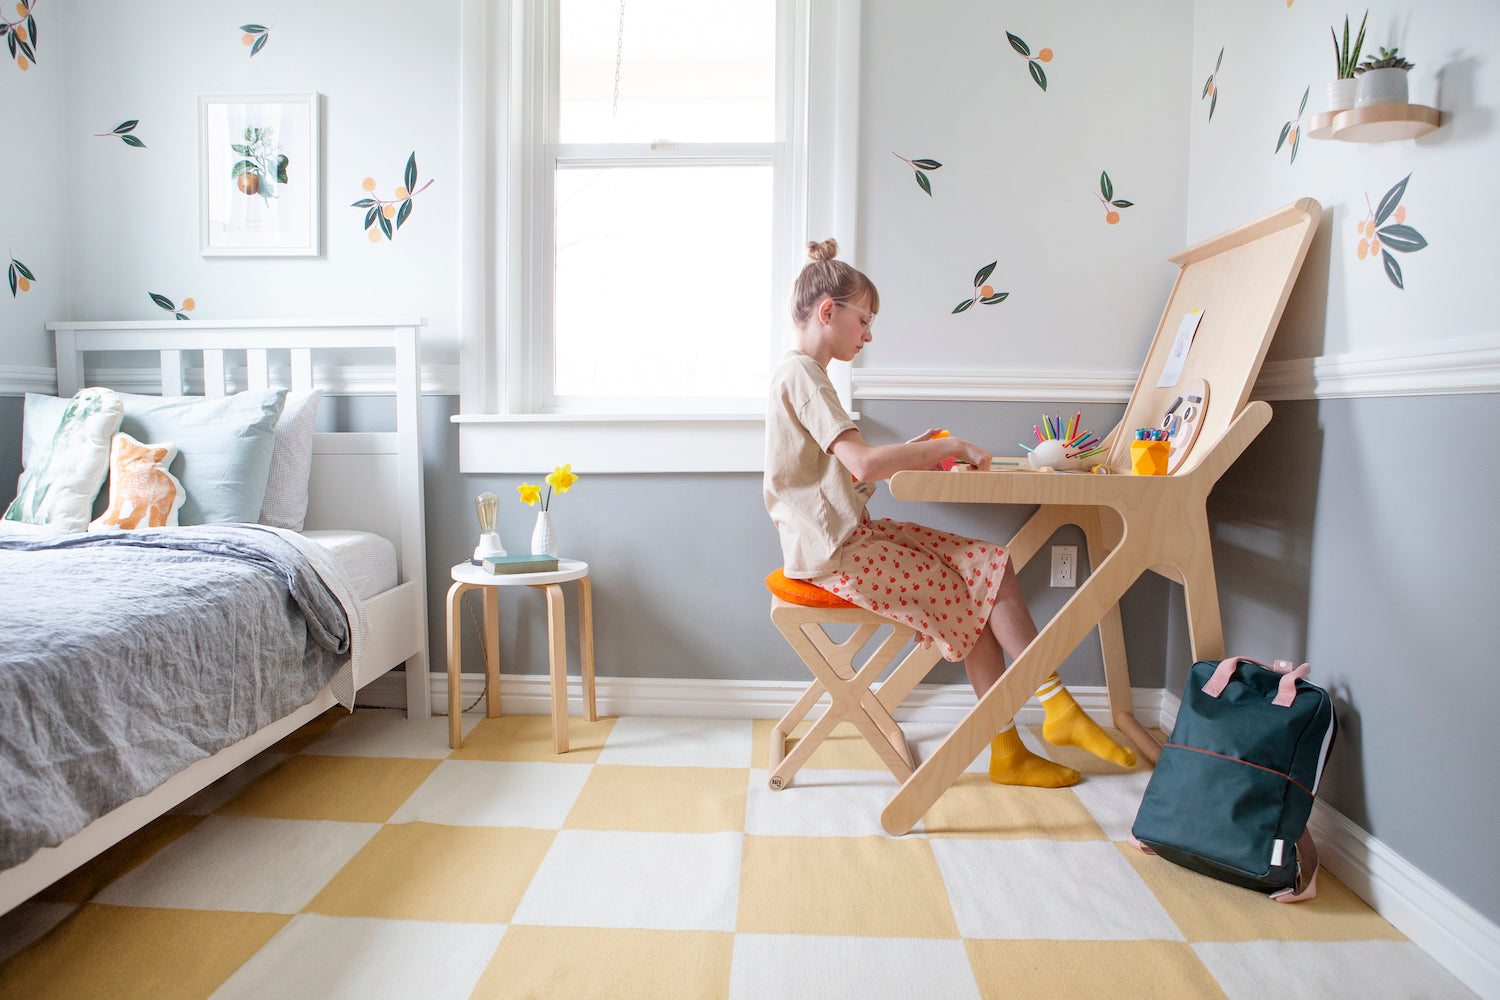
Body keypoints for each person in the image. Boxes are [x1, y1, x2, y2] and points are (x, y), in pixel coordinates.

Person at [763, 239, 1136, 787]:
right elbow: (864, 465)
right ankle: (1023, 732)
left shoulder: (807, 376)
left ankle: (1052, 711)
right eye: (863, 320)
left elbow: (838, 472)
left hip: (850, 538)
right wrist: (949, 447)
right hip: (834, 556)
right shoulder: (802, 374)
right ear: (828, 311)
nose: (868, 334)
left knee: (989, 562)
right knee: (972, 594)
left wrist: (918, 447)